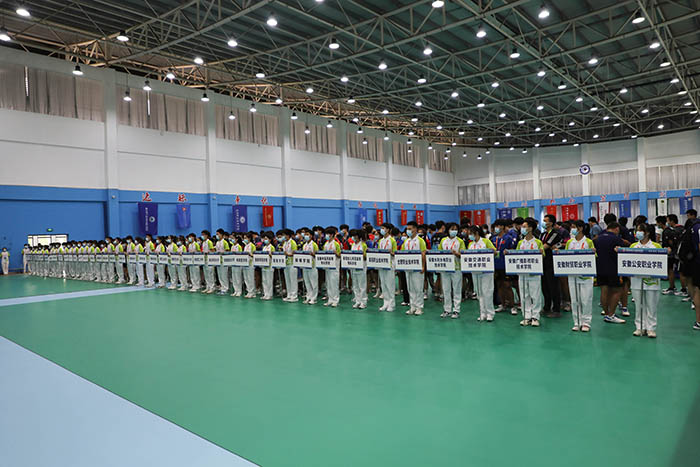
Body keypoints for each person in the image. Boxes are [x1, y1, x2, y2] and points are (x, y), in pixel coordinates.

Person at [629, 223, 663, 338]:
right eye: (637, 230)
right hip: (636, 281)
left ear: (647, 232)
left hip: (652, 282)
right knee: (638, 305)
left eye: (640, 231)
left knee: (651, 305)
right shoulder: (633, 246)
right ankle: (639, 327)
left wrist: (666, 253)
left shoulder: (656, 246)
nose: (637, 233)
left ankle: (651, 328)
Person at [594, 221, 626, 324]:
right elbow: (622, 252)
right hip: (613, 268)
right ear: (616, 229)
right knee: (617, 290)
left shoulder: (598, 238)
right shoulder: (616, 239)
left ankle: (607, 313)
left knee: (604, 290)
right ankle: (611, 314)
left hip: (600, 268)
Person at [565, 220, 595, 332]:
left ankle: (586, 322)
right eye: (571, 227)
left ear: (580, 228)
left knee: (586, 299)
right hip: (572, 275)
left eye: (573, 227)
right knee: (574, 299)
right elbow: (565, 257)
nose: (571, 230)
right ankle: (577, 321)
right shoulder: (569, 242)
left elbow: (594, 257)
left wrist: (593, 252)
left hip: (586, 276)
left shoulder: (588, 241)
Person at [516, 218, 544, 327]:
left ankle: (535, 317)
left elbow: (542, 255)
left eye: (524, 227)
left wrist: (540, 253)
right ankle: (526, 316)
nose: (522, 229)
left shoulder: (538, 242)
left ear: (531, 228)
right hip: (522, 273)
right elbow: (515, 255)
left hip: (534, 273)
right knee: (524, 295)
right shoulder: (520, 243)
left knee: (535, 295)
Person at [467, 225, 497, 322]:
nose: (469, 235)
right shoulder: (470, 244)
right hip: (475, 271)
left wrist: (492, 251)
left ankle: (490, 313)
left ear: (476, 233)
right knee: (479, 292)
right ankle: (482, 313)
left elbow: (495, 252)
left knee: (487, 292)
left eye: (470, 233)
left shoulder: (486, 241)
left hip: (486, 272)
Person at [439, 223, 466, 319]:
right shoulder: (443, 240)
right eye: (452, 229)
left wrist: (456, 253)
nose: (454, 231)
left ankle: (456, 310)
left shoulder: (460, 241)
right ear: (448, 230)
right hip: (445, 268)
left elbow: (463, 254)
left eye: (455, 229)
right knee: (446, 289)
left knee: (457, 289)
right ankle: (447, 309)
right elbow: (439, 253)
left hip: (456, 268)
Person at [402, 221, 427, 316]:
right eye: (407, 229)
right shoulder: (406, 241)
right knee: (410, 288)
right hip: (408, 267)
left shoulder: (420, 241)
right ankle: (412, 306)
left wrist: (423, 266)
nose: (408, 231)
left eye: (410, 229)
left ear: (415, 229)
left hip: (418, 268)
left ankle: (419, 307)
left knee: (418, 288)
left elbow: (423, 254)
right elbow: (402, 254)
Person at [541, 214, 563, 318]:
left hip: (552, 263)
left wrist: (536, 250)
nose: (544, 222)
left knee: (553, 287)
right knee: (545, 287)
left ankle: (556, 309)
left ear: (551, 222)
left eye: (545, 221)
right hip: (543, 263)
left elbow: (545, 246)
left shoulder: (555, 234)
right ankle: (546, 307)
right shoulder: (543, 234)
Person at [377, 223, 398, 312]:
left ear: (388, 230)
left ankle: (392, 304)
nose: (381, 230)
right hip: (382, 264)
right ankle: (385, 303)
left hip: (390, 264)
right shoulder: (380, 241)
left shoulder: (392, 240)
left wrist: (390, 252)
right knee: (383, 284)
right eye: (381, 228)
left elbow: (395, 253)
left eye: (383, 228)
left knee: (390, 285)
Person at [349, 229, 368, 309]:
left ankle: (363, 301)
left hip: (361, 267)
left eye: (355, 236)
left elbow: (366, 256)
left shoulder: (363, 245)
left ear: (359, 236)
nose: (353, 237)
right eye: (352, 236)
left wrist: (361, 255)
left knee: (362, 285)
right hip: (353, 267)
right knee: (355, 285)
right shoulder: (353, 245)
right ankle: (357, 301)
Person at [323, 227, 342, 307]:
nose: (326, 236)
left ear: (332, 235)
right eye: (326, 234)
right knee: (328, 284)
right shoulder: (325, 244)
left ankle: (335, 300)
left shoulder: (336, 244)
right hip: (327, 267)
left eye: (328, 234)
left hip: (334, 267)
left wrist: (335, 253)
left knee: (334, 284)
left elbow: (340, 255)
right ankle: (330, 299)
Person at [278, 229, 298, 302]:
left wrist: (288, 254)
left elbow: (295, 253)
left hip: (292, 264)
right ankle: (289, 295)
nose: (283, 236)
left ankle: (294, 296)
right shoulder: (285, 243)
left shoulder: (293, 242)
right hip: (285, 263)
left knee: (293, 280)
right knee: (287, 280)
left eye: (284, 235)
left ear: (288, 235)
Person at [301, 228, 319, 305]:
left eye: (307, 234)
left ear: (311, 236)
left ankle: (314, 298)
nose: (305, 236)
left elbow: (318, 255)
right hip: (305, 265)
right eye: (305, 234)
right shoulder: (304, 245)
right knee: (307, 282)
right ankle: (308, 296)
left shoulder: (314, 244)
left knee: (313, 282)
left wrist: (313, 254)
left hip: (313, 266)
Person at [260, 232, 275, 300]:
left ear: (270, 240)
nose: (265, 240)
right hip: (264, 266)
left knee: (269, 281)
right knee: (264, 280)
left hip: (270, 266)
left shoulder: (272, 247)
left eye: (266, 239)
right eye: (264, 239)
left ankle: (269, 294)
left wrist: (270, 254)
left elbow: (274, 257)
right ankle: (265, 294)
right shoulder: (264, 247)